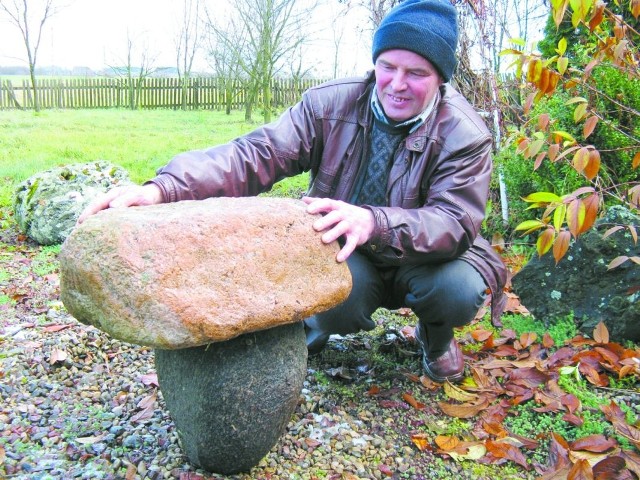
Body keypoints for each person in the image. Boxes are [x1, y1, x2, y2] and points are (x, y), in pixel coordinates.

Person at [78, 0, 507, 383]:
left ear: (440, 78)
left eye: (416, 73)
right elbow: (255, 154)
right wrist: (164, 189)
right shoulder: (329, 106)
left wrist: (373, 220)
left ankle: (435, 336)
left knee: (457, 292)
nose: (396, 83)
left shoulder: (465, 134)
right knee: (331, 295)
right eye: (387, 67)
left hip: (432, 258)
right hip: (350, 250)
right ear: (375, 62)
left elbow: (455, 221)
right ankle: (304, 339)